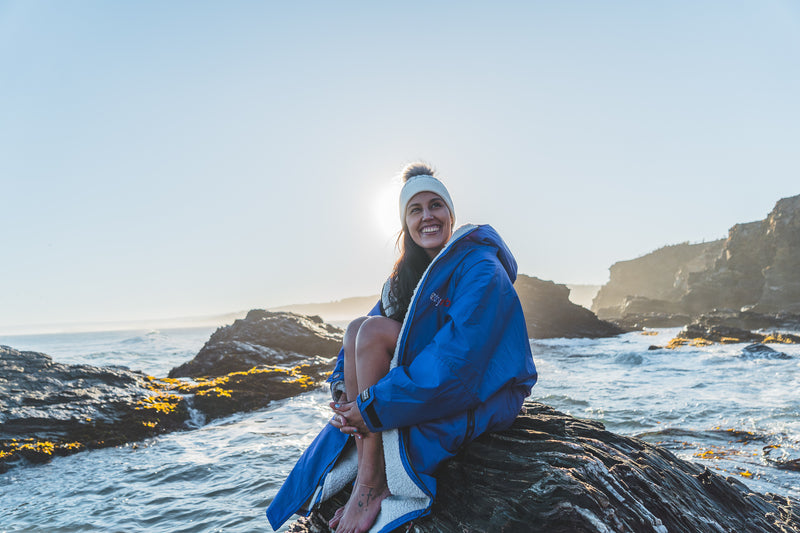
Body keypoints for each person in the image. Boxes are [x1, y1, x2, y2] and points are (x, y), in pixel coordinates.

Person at [266, 163, 537, 533]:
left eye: (436, 205)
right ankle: (368, 474)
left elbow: (461, 360)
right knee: (358, 329)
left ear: (451, 215)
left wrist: (372, 406)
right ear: (405, 223)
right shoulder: (407, 276)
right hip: (443, 376)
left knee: (374, 332)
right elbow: (357, 342)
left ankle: (370, 485)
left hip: (488, 386)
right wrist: (346, 393)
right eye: (415, 209)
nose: (427, 216)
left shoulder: (480, 266)